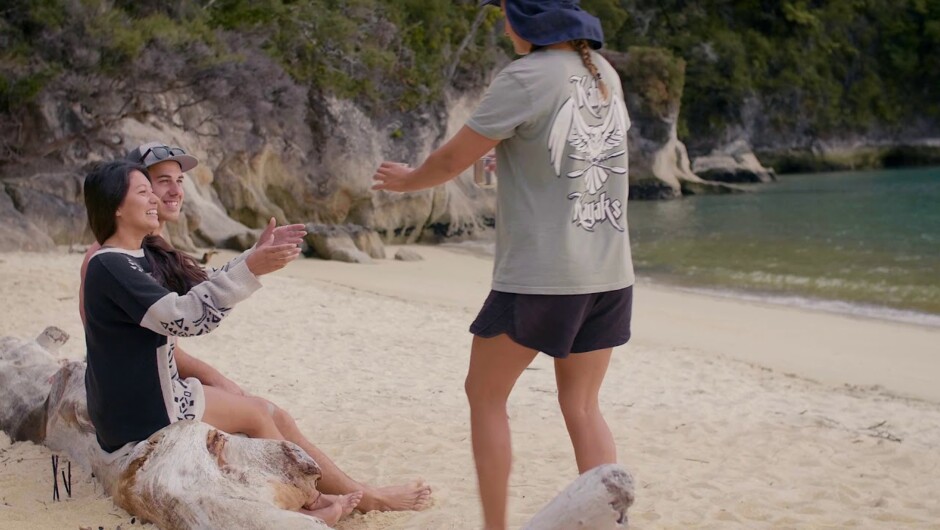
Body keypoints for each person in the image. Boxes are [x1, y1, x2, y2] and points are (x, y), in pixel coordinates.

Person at [372, 1, 634, 528]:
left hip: (543, 276)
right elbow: (576, 156)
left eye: (507, 15)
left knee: (484, 396)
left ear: (526, 23)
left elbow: (450, 161)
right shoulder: (601, 71)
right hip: (609, 273)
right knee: (583, 406)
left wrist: (407, 180)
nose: (504, 25)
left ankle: (495, 526)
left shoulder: (525, 76)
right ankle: (614, 524)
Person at [79, 143, 432, 513]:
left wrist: (253, 257)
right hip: (147, 408)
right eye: (151, 186)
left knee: (268, 411)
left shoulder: (138, 253)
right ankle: (312, 501)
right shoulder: (110, 262)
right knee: (259, 413)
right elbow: (179, 319)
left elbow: (201, 288)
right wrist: (252, 270)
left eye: (176, 181)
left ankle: (334, 494)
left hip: (151, 396)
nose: (164, 194)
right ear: (117, 200)